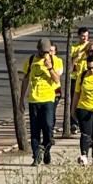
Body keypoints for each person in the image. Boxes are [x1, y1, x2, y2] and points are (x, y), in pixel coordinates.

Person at [20, 37, 63, 165]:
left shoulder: (56, 61)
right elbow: (25, 80)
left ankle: (46, 149)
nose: (44, 54)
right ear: (38, 49)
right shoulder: (31, 60)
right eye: (42, 52)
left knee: (48, 127)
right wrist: (21, 99)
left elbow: (56, 80)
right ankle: (36, 156)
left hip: (48, 99)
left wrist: (50, 68)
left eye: (47, 52)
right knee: (35, 130)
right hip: (34, 99)